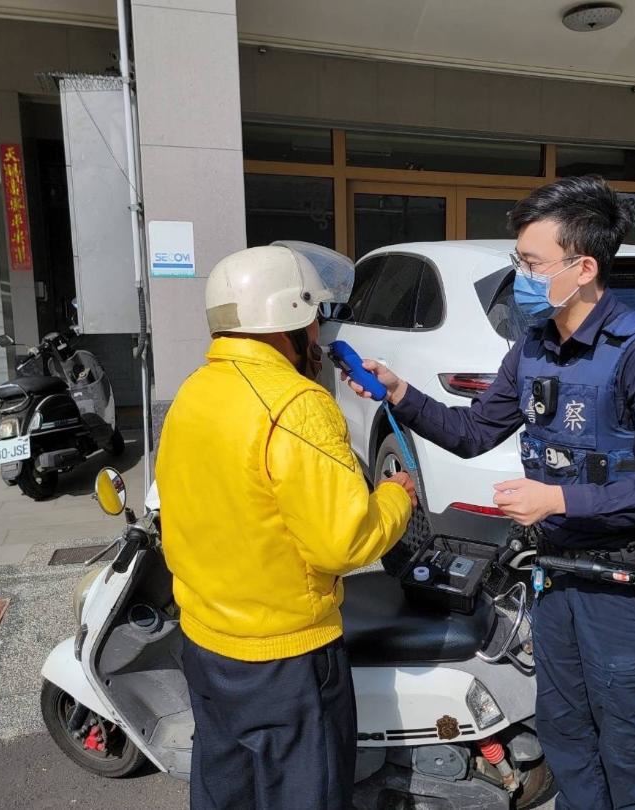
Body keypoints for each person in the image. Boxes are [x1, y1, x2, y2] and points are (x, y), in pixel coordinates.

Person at [346, 176, 635, 809]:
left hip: (626, 593)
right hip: (556, 583)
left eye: (533, 263)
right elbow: (473, 432)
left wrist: (557, 500)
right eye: (519, 260)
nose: (521, 276)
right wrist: (400, 392)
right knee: (567, 739)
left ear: (583, 267)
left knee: (633, 755)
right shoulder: (534, 347)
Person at [156, 244, 417, 810]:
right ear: (289, 321)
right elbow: (344, 541)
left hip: (205, 641)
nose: (319, 334)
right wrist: (396, 497)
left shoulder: (193, 390)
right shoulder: (297, 404)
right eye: (315, 318)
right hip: (286, 659)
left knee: (226, 790)